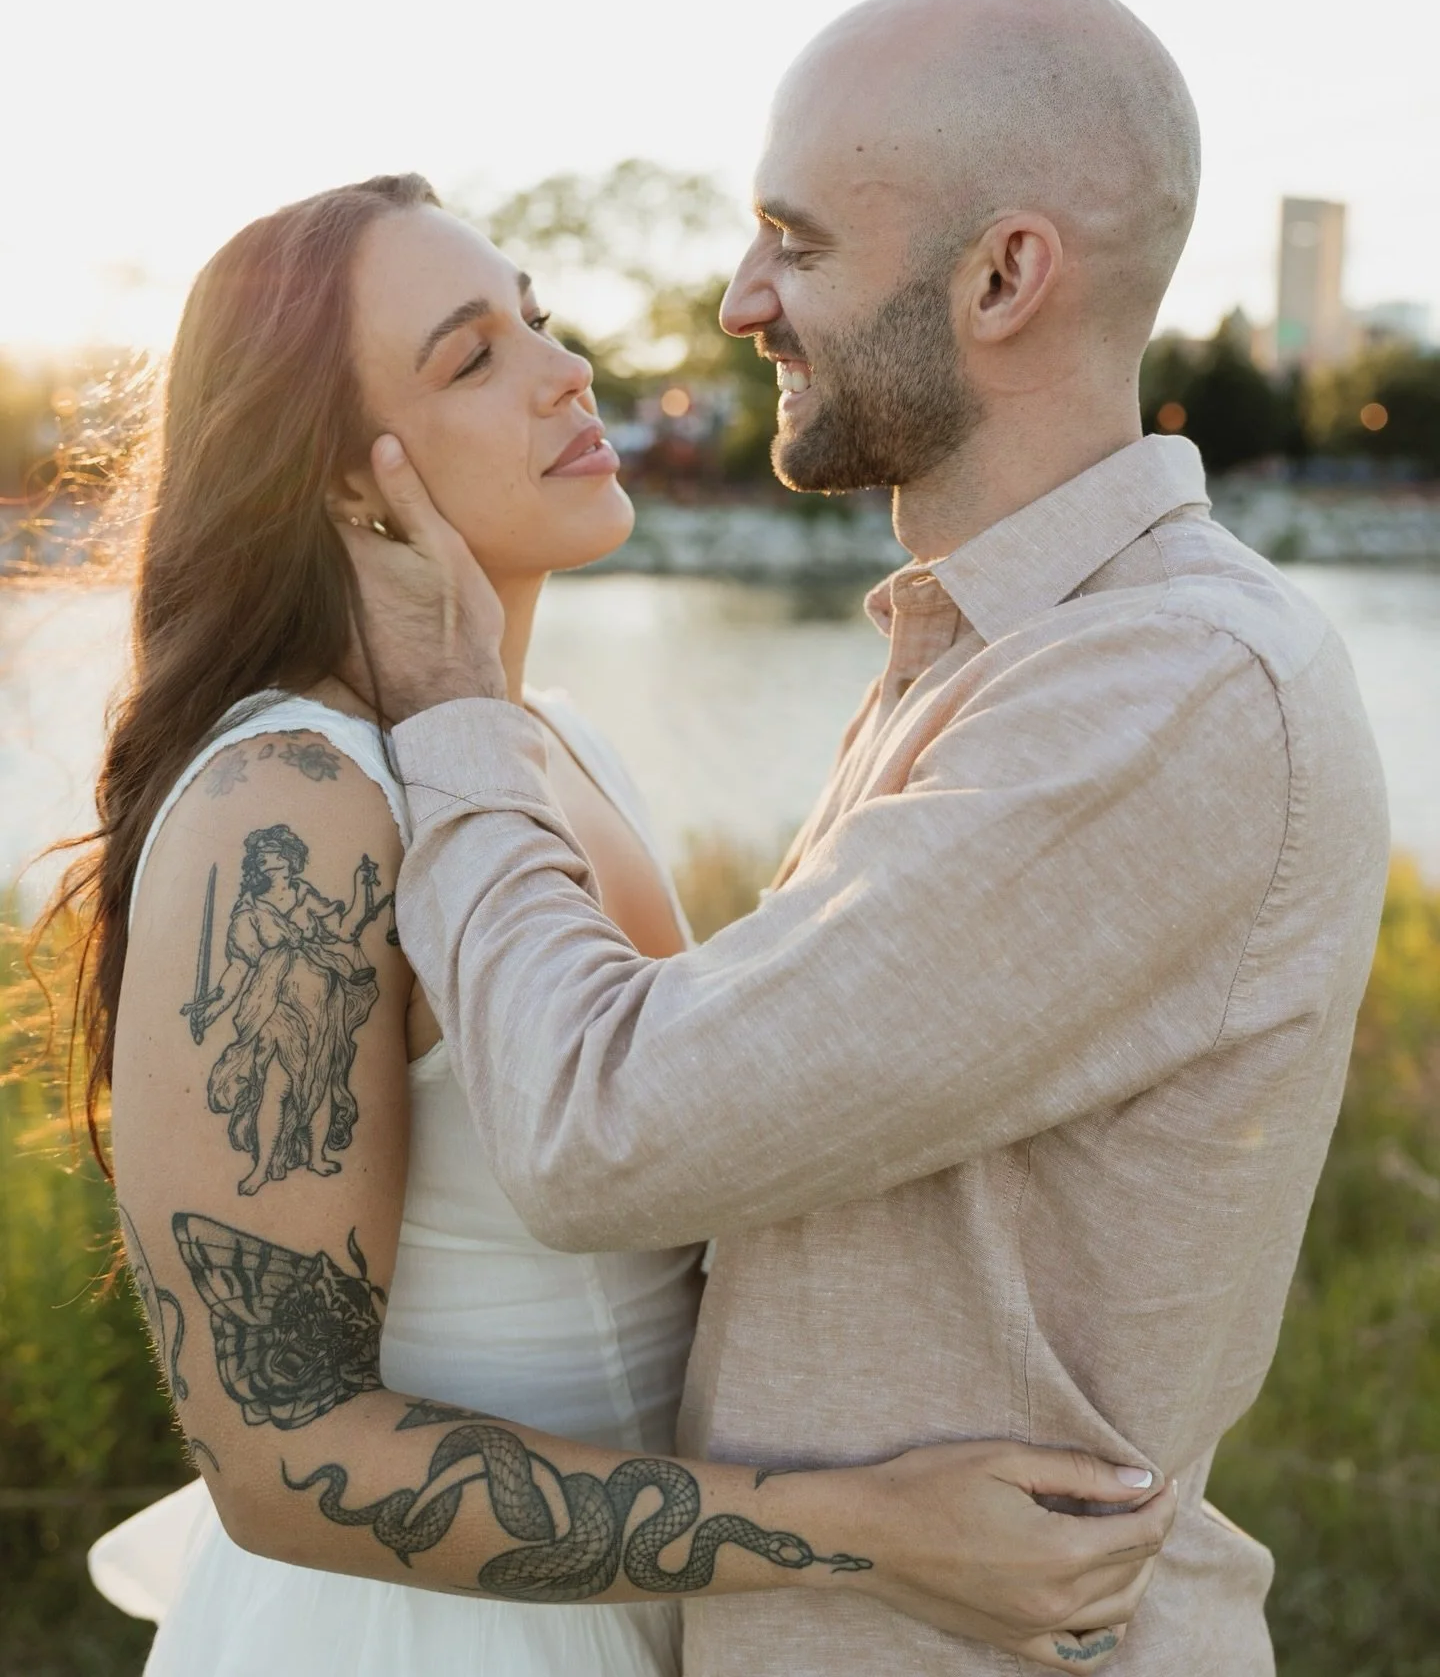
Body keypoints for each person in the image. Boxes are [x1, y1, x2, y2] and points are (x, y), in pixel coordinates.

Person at [337, 0, 1393, 1676]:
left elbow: (606, 1128)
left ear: (1003, 276)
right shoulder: (991, 647)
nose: (744, 296)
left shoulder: (1161, 692)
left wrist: (459, 718)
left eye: (799, 242)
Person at [75, 173, 1173, 1677]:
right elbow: (279, 1456)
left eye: (537, 320)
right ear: (340, 481)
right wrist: (875, 1528)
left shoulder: (559, 746)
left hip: (664, 1626)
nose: (565, 370)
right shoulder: (292, 807)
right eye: (471, 358)